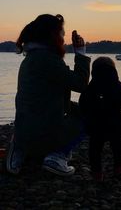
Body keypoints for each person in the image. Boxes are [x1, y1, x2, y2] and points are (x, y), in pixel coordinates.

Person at [6, 14, 91, 176]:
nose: (63, 39)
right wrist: (80, 53)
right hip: (43, 134)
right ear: (52, 36)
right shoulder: (48, 60)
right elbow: (80, 84)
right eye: (61, 35)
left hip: (24, 130)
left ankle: (20, 148)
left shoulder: (31, 58)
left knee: (77, 109)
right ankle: (57, 157)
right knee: (90, 113)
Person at [79, 57, 121, 181]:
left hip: (96, 126)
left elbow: (83, 106)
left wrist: (85, 120)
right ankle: (118, 170)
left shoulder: (90, 89)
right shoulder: (119, 87)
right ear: (114, 70)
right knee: (117, 146)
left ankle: (97, 174)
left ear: (93, 71)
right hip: (116, 125)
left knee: (95, 149)